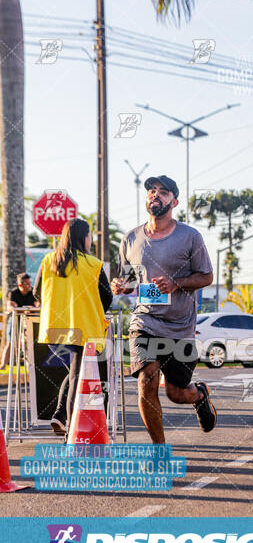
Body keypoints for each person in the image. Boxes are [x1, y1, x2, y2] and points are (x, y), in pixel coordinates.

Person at [111, 174, 216, 444]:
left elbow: (206, 276)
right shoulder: (130, 238)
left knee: (176, 393)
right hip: (145, 322)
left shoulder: (190, 236)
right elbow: (130, 279)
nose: (155, 195)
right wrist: (121, 286)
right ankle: (159, 450)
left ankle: (199, 395)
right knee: (147, 377)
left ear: (175, 201)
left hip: (180, 326)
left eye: (163, 192)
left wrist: (176, 283)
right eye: (152, 191)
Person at [33, 219, 113, 435]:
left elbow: (36, 293)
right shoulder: (94, 264)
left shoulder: (49, 260)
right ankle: (70, 433)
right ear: (84, 237)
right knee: (78, 380)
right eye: (89, 236)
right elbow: (107, 297)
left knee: (75, 375)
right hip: (84, 331)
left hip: (53, 331)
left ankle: (59, 416)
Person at [0, 273, 40, 370]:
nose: (30, 285)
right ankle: (3, 365)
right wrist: (20, 309)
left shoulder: (33, 292)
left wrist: (32, 308)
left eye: (30, 283)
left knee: (33, 341)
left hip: (29, 319)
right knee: (10, 341)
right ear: (20, 285)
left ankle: (33, 364)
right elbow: (10, 306)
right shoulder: (14, 292)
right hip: (16, 318)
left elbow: (38, 304)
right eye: (27, 284)